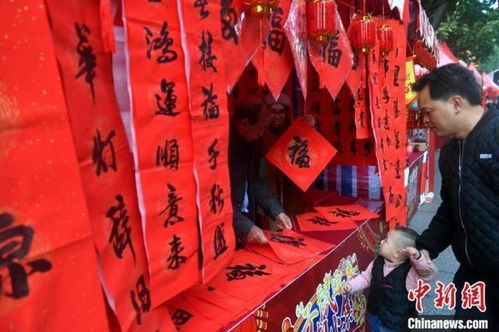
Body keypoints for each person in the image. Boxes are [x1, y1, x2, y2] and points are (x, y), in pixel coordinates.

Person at [413, 63, 499, 329]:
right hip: (472, 277)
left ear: (456, 103)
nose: (425, 120)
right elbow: (451, 208)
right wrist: (425, 247)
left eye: (429, 111)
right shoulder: (450, 153)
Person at [341, 227, 438, 332]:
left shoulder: (411, 272)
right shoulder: (378, 262)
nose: (382, 241)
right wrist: (351, 285)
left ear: (397, 253)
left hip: (396, 323)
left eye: (386, 240)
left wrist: (419, 259)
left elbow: (431, 274)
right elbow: (365, 278)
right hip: (375, 314)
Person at [229, 98, 292, 245]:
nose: (263, 133)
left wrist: (276, 211)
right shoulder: (223, 148)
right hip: (229, 224)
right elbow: (216, 201)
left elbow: (252, 180)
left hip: (245, 216)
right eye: (262, 128)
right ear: (245, 123)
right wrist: (245, 227)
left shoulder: (248, 141)